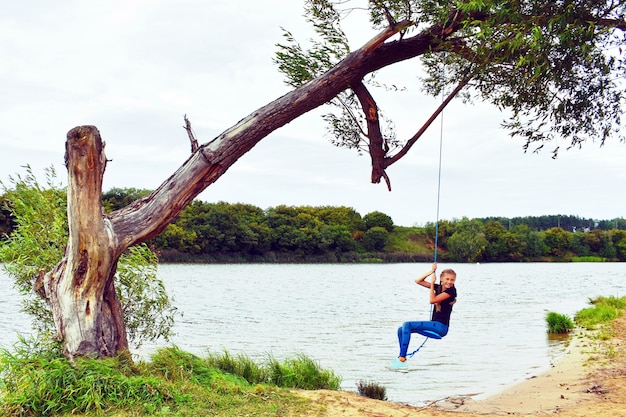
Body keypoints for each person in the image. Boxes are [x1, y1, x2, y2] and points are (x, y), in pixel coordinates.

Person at [396, 262, 457, 363]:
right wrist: (431, 272)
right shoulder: (439, 288)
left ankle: (402, 357)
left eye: (452, 280)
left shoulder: (451, 292)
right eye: (447, 279)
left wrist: (432, 284)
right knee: (401, 329)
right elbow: (418, 281)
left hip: (441, 327)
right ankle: (402, 357)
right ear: (441, 279)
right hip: (435, 326)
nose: (449, 282)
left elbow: (432, 300)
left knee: (407, 324)